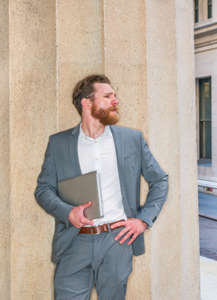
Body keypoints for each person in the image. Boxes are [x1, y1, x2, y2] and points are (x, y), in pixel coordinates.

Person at [34, 74, 169, 300]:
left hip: (117, 239)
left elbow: (160, 180)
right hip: (74, 241)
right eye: (107, 96)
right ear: (87, 103)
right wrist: (67, 212)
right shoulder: (59, 143)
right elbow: (43, 189)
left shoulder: (131, 139)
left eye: (115, 96)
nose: (115, 101)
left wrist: (143, 220)